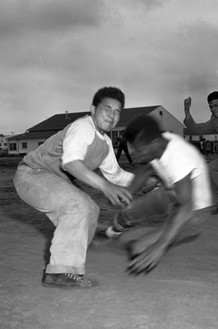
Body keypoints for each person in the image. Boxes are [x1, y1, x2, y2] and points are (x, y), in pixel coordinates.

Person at [13, 87, 134, 288]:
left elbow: (117, 175)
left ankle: (72, 254)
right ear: (93, 109)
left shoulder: (104, 143)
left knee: (91, 209)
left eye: (117, 112)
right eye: (107, 109)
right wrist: (105, 186)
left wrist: (150, 183)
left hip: (53, 182)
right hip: (31, 175)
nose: (112, 116)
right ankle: (59, 270)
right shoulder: (82, 128)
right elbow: (71, 163)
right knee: (77, 205)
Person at [105, 114, 214, 274]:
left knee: (138, 249)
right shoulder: (159, 142)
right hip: (171, 193)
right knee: (127, 212)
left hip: (194, 211)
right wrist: (128, 193)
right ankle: (110, 233)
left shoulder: (180, 158)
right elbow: (147, 168)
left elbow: (186, 207)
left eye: (139, 150)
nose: (136, 154)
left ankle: (141, 244)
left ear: (154, 143)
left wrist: (160, 246)